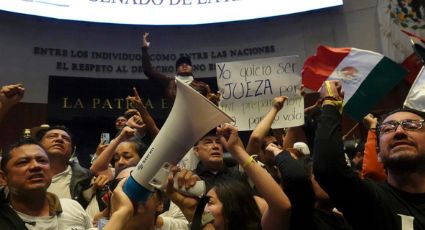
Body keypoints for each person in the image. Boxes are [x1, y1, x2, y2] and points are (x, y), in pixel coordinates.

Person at [313, 80, 425, 230]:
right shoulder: (371, 201)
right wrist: (331, 103)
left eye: (411, 125)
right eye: (387, 129)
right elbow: (328, 167)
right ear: (378, 153)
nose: (399, 132)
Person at [166, 123, 292, 230]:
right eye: (208, 142)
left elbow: (280, 207)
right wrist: (194, 212)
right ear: (196, 151)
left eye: (218, 142)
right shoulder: (187, 182)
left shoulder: (239, 175)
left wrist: (236, 150)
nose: (215, 146)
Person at [0, 139, 92, 229]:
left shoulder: (72, 207)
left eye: (42, 161)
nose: (36, 166)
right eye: (23, 162)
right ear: (3, 178)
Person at [141, 32, 219, 105]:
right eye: (180, 64)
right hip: (176, 119)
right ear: (176, 70)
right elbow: (148, 70)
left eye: (187, 64)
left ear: (192, 68)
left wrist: (214, 101)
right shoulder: (169, 83)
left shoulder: (203, 86)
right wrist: (144, 49)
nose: (184, 65)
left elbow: (211, 108)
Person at [34, 126, 94, 209]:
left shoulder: (86, 177)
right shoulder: (26, 173)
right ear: (38, 145)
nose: (59, 139)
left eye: (65, 138)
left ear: (71, 150)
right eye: (52, 136)